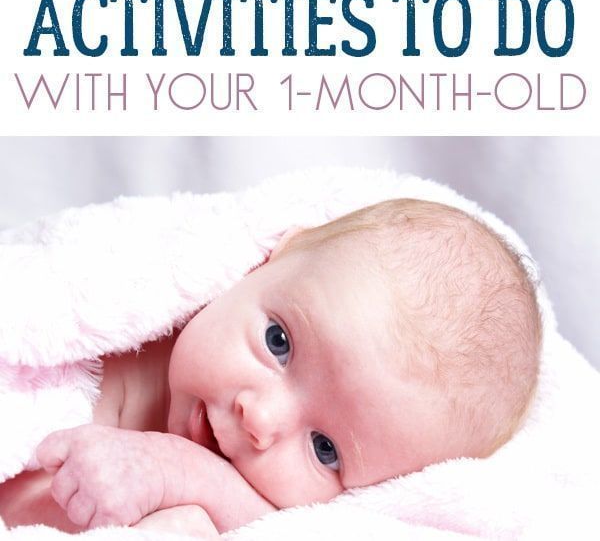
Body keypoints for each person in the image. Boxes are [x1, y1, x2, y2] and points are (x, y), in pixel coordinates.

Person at [0, 198, 542, 536]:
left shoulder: (267, 508)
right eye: (278, 342)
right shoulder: (103, 330)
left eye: (325, 449)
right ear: (268, 261)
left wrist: (180, 474)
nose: (259, 421)